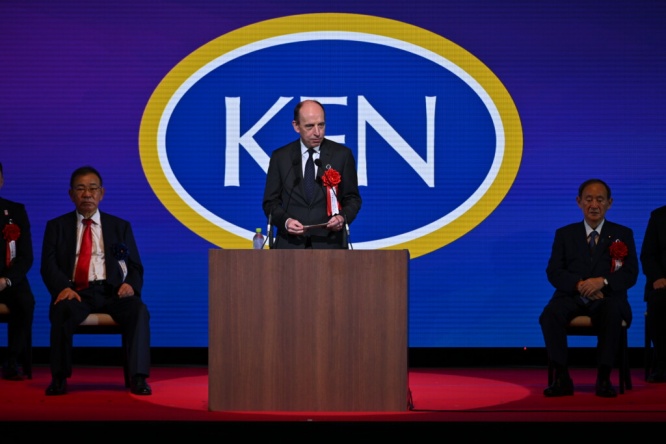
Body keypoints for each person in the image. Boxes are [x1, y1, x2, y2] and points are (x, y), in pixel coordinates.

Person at [40, 165, 151, 396]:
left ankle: (139, 377)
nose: (87, 194)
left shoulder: (120, 226)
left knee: (139, 310)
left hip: (113, 292)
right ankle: (59, 378)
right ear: (71, 194)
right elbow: (48, 266)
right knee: (62, 310)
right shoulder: (56, 226)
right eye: (80, 189)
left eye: (93, 188)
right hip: (77, 292)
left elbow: (135, 266)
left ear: (102, 193)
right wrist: (63, 288)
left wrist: (130, 284)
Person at [539, 178, 638, 398]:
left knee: (612, 313)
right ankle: (562, 378)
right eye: (589, 199)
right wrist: (579, 284)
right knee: (549, 315)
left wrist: (602, 281)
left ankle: (604, 378)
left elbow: (630, 273)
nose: (594, 205)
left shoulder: (622, 234)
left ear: (609, 203)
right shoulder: (565, 234)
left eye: (600, 200)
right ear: (579, 201)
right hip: (571, 296)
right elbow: (554, 271)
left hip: (607, 297)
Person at [262, 99, 362, 249]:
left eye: (321, 125)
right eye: (309, 126)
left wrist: (342, 217)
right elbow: (270, 202)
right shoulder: (280, 157)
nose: (317, 132)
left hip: (330, 245)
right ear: (296, 126)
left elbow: (352, 199)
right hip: (290, 246)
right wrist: (286, 221)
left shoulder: (342, 155)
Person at [0, 162, 35, 380]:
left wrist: (6, 280)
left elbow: (26, 256)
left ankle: (12, 359)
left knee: (25, 302)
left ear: (2, 180)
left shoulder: (15, 211)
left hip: (9, 279)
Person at [640, 205, 666, 383]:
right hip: (664, 284)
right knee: (657, 302)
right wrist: (657, 277)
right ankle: (662, 364)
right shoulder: (659, 216)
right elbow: (647, 255)